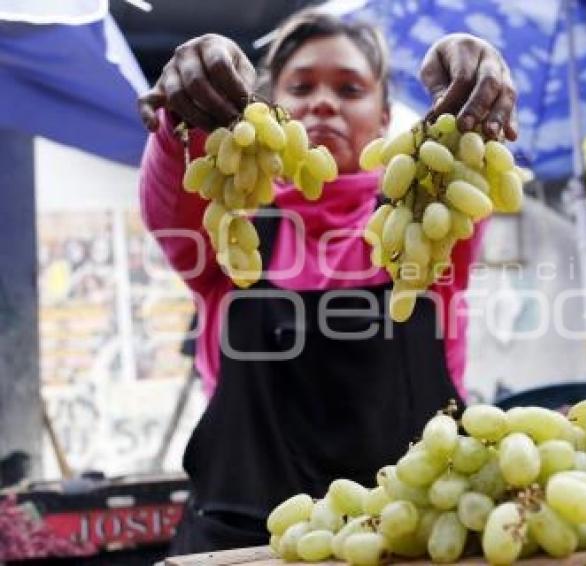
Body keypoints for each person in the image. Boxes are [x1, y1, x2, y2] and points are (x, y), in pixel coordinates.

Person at [137, 8, 517, 555]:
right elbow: (170, 200)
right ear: (267, 109)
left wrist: (472, 84)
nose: (322, 101)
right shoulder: (231, 229)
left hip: (407, 546)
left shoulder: (421, 223)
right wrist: (186, 124)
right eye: (301, 85)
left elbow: (468, 170)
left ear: (385, 118)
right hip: (237, 552)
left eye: (349, 87)